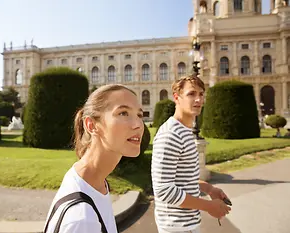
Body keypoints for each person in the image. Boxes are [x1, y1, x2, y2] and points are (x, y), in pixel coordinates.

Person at [44, 84, 144, 233]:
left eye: (140, 115)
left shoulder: (92, 181)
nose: (138, 125)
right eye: (123, 113)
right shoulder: (83, 220)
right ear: (91, 125)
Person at [151, 75, 231, 233]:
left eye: (201, 94)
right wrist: (208, 206)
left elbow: (182, 180)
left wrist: (208, 189)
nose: (198, 99)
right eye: (191, 94)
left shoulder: (185, 131)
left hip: (187, 225)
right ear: (176, 97)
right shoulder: (170, 134)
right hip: (176, 227)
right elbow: (164, 190)